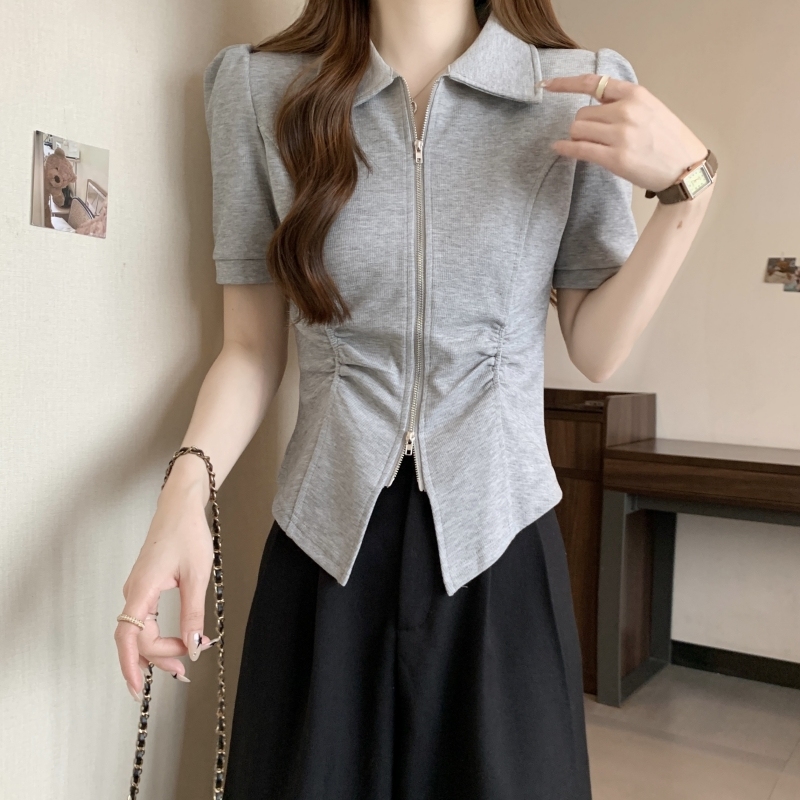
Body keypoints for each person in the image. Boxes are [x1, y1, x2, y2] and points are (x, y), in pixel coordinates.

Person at [114, 0, 717, 797]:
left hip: (500, 543)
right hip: (323, 549)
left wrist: (689, 190)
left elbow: (596, 348)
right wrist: (183, 494)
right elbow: (252, 348)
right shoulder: (259, 90)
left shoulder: (573, 90)